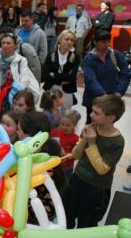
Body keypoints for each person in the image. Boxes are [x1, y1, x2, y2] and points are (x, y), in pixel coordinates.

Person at [63, 95, 125, 228]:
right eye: (92, 110)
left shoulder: (117, 142)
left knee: (87, 224)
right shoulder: (92, 127)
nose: (91, 115)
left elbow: (102, 169)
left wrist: (91, 143)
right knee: (67, 215)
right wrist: (84, 140)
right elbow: (75, 155)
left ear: (111, 118)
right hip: (77, 179)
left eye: (96, 113)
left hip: (96, 188)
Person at [18, 111, 65, 225]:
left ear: (30, 135)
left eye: (19, 130)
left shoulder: (40, 166)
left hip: (36, 220)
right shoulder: (48, 151)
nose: (17, 132)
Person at [82, 31, 130, 124]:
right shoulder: (89, 58)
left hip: (112, 100)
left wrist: (119, 92)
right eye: (103, 42)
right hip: (94, 100)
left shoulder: (115, 54)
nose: (107, 44)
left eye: (108, 41)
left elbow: (126, 74)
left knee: (108, 126)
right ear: (95, 42)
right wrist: (104, 95)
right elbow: (90, 80)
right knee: (92, 126)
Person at [0, 32, 40, 108]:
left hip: (17, 94)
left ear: (15, 45)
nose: (5, 45)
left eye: (8, 43)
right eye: (3, 43)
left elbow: (24, 79)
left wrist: (15, 95)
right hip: (1, 94)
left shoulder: (21, 60)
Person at [42, 30, 80, 109]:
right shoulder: (50, 56)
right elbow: (45, 75)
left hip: (67, 90)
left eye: (72, 40)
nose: (69, 42)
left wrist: (54, 74)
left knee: (65, 116)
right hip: (51, 89)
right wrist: (64, 77)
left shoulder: (75, 57)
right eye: (66, 39)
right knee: (50, 114)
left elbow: (72, 77)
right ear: (60, 40)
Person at [51, 109, 81, 177]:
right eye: (62, 124)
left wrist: (70, 156)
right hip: (53, 164)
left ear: (74, 125)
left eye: (68, 125)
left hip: (66, 167)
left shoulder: (76, 138)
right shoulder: (54, 132)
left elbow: (77, 154)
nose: (64, 127)